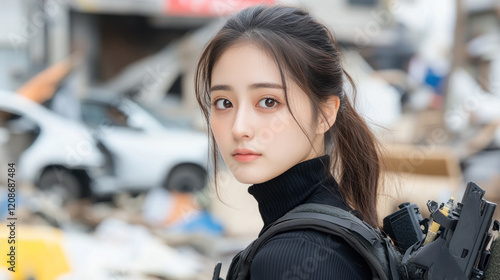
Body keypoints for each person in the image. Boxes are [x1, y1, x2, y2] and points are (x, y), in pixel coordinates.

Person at [195, 4, 382, 279]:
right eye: (224, 102)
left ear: (325, 113)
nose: (239, 128)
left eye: (268, 102)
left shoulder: (295, 257)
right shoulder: (327, 228)